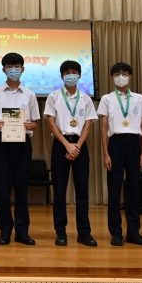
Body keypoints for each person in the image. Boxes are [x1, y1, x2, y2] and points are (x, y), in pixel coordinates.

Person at [0, 52, 40, 246]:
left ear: (23, 69)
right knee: (2, 189)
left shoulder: (30, 94)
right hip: (2, 144)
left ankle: (22, 232)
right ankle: (5, 231)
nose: (13, 70)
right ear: (3, 70)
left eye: (17, 66)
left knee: (22, 189)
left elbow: (35, 124)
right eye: (9, 66)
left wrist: (30, 125)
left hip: (23, 144)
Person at [45, 60, 98, 247]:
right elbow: (50, 122)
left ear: (80, 75)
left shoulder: (86, 99)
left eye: (74, 72)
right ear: (61, 76)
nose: (71, 75)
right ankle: (61, 232)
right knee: (59, 192)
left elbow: (88, 125)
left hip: (80, 146)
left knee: (82, 192)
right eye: (67, 73)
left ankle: (84, 233)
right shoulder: (53, 97)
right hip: (61, 144)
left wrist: (77, 146)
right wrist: (67, 145)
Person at [97, 62, 142, 246]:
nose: (121, 76)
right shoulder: (107, 99)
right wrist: (105, 153)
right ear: (112, 77)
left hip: (134, 143)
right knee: (114, 189)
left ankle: (134, 232)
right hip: (116, 143)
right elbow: (103, 128)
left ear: (131, 76)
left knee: (134, 189)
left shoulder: (139, 99)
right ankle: (116, 232)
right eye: (117, 74)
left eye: (125, 73)